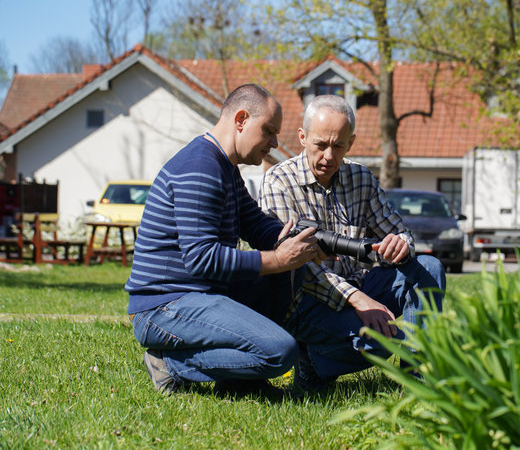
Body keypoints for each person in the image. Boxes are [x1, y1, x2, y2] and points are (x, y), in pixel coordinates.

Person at [125, 83, 325, 396]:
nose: (274, 143)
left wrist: (302, 242)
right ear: (241, 119)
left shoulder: (224, 168)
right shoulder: (200, 168)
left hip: (199, 296)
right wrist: (276, 259)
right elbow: (203, 258)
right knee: (280, 352)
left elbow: (256, 225)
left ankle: (241, 382)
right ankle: (170, 364)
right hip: (163, 307)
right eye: (269, 131)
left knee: (289, 268)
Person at [258, 94, 446, 391]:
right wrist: (358, 300)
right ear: (302, 137)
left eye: (338, 145)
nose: (329, 156)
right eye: (320, 145)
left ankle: (416, 378)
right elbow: (295, 266)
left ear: (351, 142)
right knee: (386, 345)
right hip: (308, 301)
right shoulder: (278, 181)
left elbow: (398, 232)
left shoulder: (362, 178)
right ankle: (311, 361)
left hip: (360, 287)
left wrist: (400, 244)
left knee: (429, 267)